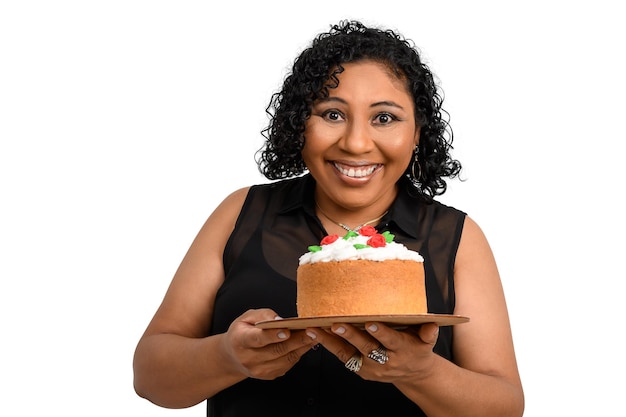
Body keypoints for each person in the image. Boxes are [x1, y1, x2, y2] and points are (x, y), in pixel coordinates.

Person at [133, 20, 524, 417]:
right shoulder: (241, 213)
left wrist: (421, 374)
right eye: (332, 114)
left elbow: (505, 407)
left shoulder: (457, 238)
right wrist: (227, 356)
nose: (355, 142)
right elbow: (149, 378)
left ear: (418, 132)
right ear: (300, 122)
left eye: (384, 118)